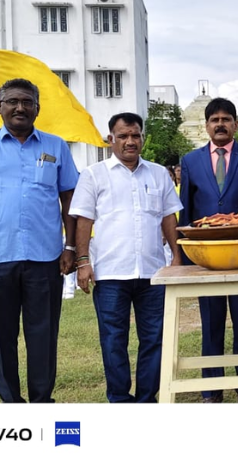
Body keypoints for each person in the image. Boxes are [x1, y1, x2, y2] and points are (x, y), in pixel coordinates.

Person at [70, 113, 182, 403]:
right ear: (111, 139)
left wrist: (177, 257)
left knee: (154, 338)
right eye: (123, 136)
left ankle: (146, 400)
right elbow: (84, 220)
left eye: (135, 135)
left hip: (152, 272)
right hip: (110, 273)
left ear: (142, 137)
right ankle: (120, 399)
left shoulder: (158, 174)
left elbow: (168, 217)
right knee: (113, 340)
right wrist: (83, 261)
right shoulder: (94, 174)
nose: (130, 141)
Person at [179, 97, 238, 404]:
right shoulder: (190, 161)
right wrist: (187, 259)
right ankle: (211, 390)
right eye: (214, 120)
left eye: (225, 119)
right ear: (206, 126)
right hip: (206, 258)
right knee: (211, 324)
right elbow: (186, 211)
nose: (220, 124)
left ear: (235, 124)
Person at [0, 78, 79, 403]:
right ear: (1, 107)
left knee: (43, 335)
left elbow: (70, 199)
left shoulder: (55, 146)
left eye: (27, 102)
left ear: (37, 108)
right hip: (1, 257)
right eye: (12, 101)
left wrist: (70, 247)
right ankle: (10, 403)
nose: (20, 107)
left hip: (45, 258)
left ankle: (42, 402)